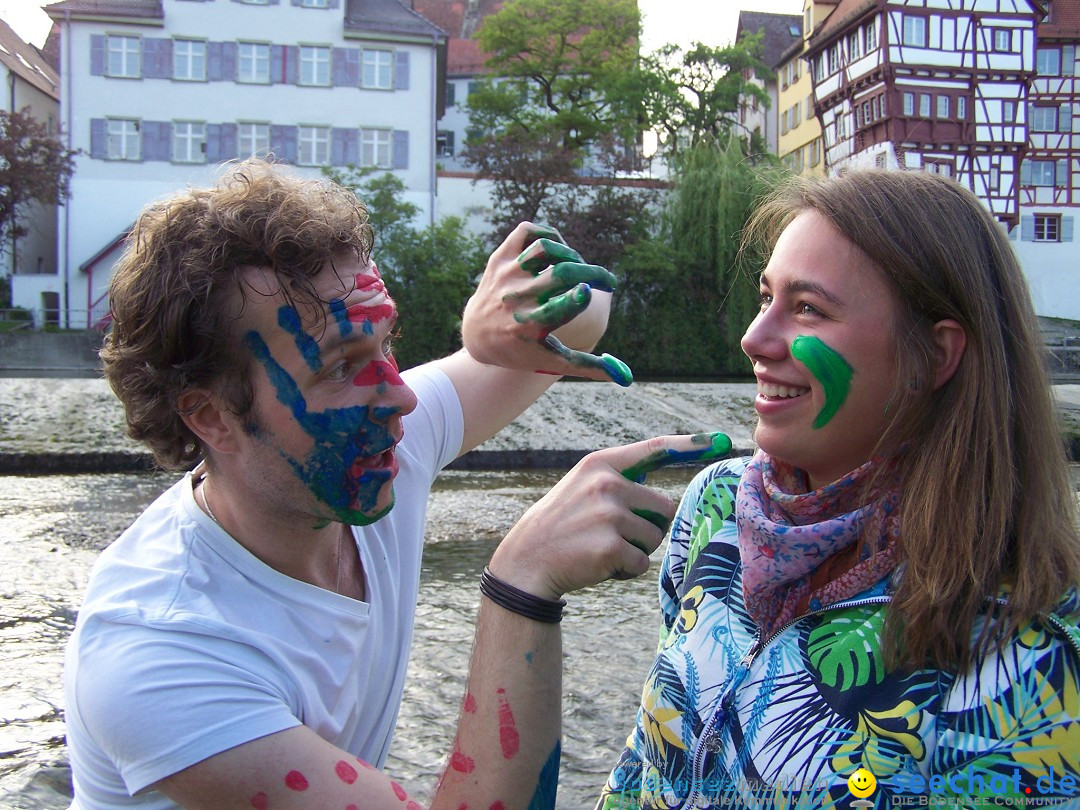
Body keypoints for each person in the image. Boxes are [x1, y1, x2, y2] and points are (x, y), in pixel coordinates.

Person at [63, 157, 699, 809]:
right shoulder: (163, 655)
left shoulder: (367, 455)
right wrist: (522, 580)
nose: (398, 394)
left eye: (386, 345)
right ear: (211, 416)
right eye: (342, 367)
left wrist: (494, 332)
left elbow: (586, 311)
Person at [597, 169, 1080, 809]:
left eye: (807, 309)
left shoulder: (1029, 642)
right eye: (765, 298)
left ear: (935, 357)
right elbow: (645, 766)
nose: (754, 339)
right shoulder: (715, 508)